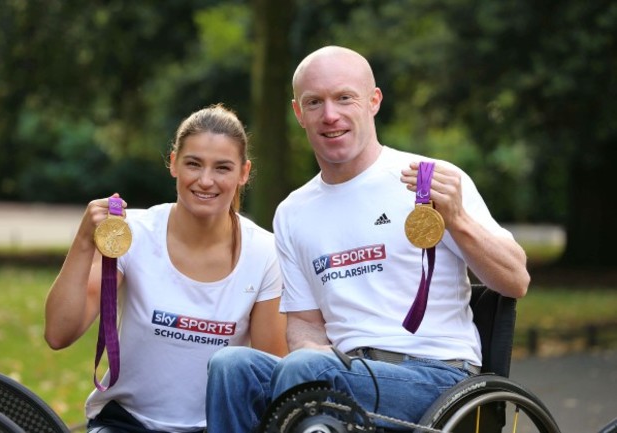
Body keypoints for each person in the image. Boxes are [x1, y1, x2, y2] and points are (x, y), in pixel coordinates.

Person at [205, 46, 530, 432]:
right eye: (315, 102)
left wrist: (457, 219)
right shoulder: (293, 213)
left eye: (345, 98)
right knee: (231, 366)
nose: (330, 115)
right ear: (298, 113)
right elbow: (306, 325)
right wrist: (310, 352)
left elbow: (516, 280)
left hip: (435, 379)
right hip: (340, 370)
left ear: (373, 101)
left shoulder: (430, 179)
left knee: (307, 369)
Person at [44, 104, 287, 432]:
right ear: (173, 163)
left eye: (222, 168)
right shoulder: (133, 234)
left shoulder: (265, 253)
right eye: (193, 164)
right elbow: (59, 332)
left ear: (243, 173)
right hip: (127, 424)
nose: (205, 180)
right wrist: (85, 242)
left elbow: (270, 377)